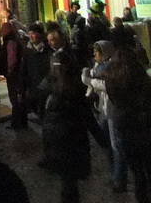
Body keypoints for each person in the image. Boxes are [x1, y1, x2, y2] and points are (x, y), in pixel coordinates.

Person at [39, 30, 91, 203]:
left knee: (68, 184)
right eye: (49, 40)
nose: (51, 42)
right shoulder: (63, 95)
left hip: (64, 146)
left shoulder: (55, 95)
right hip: (68, 146)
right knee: (69, 184)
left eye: (54, 39)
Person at [105, 49, 151, 201]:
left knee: (137, 171)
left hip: (125, 129)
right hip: (142, 127)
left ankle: (142, 197)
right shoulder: (142, 80)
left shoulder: (112, 80)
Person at [82, 41, 123, 189]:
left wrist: (89, 81)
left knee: (115, 145)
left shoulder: (113, 67)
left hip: (112, 110)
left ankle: (119, 179)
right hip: (102, 110)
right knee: (106, 143)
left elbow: (106, 86)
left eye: (97, 52)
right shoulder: (98, 67)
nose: (94, 55)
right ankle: (114, 174)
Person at [18, 22, 51, 122]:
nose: (31, 36)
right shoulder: (28, 51)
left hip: (46, 87)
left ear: (40, 34)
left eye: (34, 33)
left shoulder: (48, 50)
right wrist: (22, 88)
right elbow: (24, 70)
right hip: (33, 87)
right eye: (30, 34)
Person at [0, 22, 26, 128]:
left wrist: (9, 71)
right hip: (15, 73)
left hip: (13, 73)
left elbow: (11, 57)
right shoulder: (14, 39)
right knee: (17, 97)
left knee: (14, 97)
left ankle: (17, 121)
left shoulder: (10, 41)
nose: (2, 32)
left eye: (3, 29)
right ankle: (21, 120)